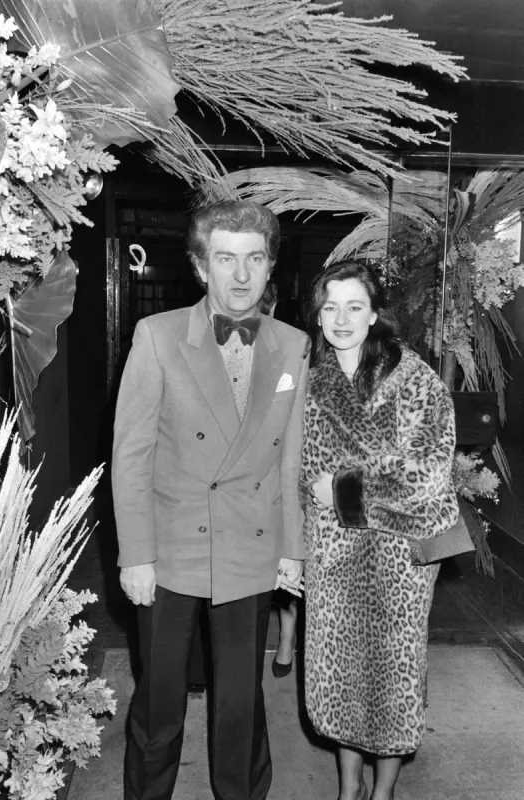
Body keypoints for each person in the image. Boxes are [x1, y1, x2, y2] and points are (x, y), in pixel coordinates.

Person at [112, 200, 309, 800]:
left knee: (240, 705)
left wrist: (291, 551)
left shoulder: (294, 344)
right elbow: (131, 455)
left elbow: (290, 460)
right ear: (202, 267)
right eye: (226, 259)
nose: (241, 276)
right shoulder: (158, 336)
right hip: (171, 551)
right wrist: (135, 555)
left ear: (270, 265)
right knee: (161, 701)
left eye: (254, 259)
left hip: (250, 548)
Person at [300, 260, 459, 800]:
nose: (341, 319)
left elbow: (429, 474)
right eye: (330, 307)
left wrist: (344, 490)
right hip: (333, 556)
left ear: (374, 316)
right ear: (318, 315)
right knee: (341, 675)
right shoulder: (311, 381)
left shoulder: (415, 379)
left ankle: (384, 791)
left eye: (354, 307)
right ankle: (349, 788)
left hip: (398, 560)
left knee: (392, 680)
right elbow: (295, 471)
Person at [259, 281, 299, 678]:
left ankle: (286, 638)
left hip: (287, 474)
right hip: (245, 483)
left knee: (287, 566)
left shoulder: (293, 349)